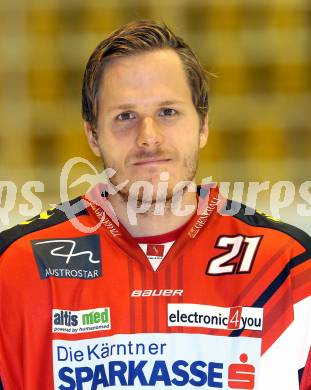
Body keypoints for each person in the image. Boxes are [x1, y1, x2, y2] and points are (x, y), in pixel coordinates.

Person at [0, 20, 310, 390]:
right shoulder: (17, 268)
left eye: (168, 112)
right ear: (93, 135)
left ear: (203, 125)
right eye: (125, 116)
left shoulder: (287, 267)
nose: (148, 137)